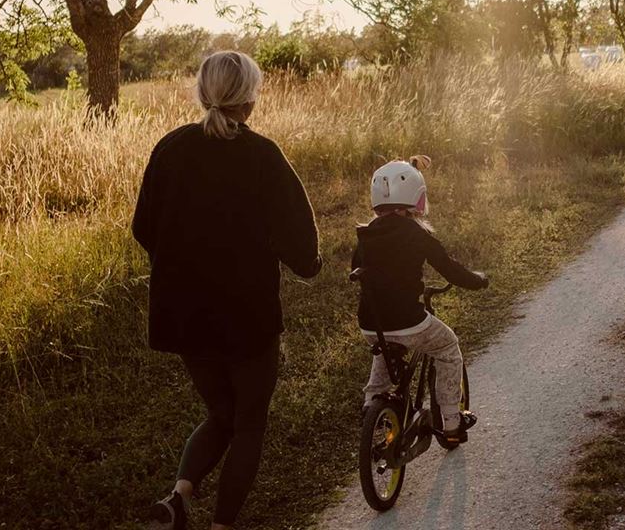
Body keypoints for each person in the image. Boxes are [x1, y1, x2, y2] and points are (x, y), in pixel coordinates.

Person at [132, 51, 322, 530]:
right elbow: (299, 238)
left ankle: (177, 498)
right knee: (249, 422)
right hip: (247, 316)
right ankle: (221, 526)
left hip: (185, 315)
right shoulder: (263, 156)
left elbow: (142, 228)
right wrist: (310, 264)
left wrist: (180, 265)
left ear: (204, 93)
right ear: (250, 100)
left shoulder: (169, 148)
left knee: (221, 413)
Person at [351, 155, 487, 444]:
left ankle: (372, 406)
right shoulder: (416, 233)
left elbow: (357, 268)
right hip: (409, 321)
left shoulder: (365, 234)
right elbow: (450, 269)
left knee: (384, 347)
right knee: (448, 347)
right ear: (414, 197)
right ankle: (451, 422)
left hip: (370, 321)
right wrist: (478, 280)